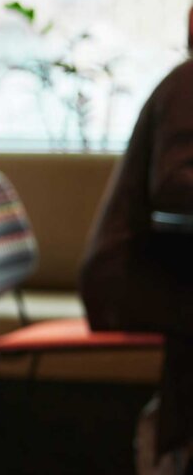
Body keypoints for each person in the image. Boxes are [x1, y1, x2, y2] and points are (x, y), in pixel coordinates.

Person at [81, 57, 193, 475]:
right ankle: (171, 445)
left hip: (154, 273)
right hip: (123, 282)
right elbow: (172, 185)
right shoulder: (188, 84)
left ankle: (172, 439)